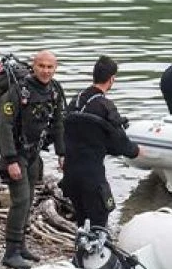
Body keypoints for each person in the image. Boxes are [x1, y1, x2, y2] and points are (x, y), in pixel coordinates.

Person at [0, 50, 66, 269]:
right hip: (15, 154)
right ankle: (11, 253)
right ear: (34, 66)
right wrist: (10, 160)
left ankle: (21, 245)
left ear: (55, 68)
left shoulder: (55, 91)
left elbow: (58, 123)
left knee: (30, 200)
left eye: (50, 67)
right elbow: (4, 126)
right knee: (21, 201)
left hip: (33, 153)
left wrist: (61, 153)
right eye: (41, 66)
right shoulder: (19, 91)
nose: (46, 71)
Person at [60, 55, 140, 231]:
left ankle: (80, 245)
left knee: (81, 221)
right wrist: (137, 151)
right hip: (92, 175)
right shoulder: (105, 106)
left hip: (70, 173)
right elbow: (121, 144)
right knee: (100, 219)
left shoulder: (76, 100)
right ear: (112, 79)